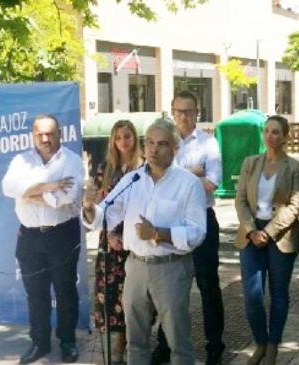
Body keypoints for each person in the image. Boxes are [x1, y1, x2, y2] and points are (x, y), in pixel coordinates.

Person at [83, 119, 207, 365]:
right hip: (136, 267)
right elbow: (107, 214)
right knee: (135, 341)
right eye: (150, 142)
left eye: (162, 144)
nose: (153, 149)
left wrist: (158, 233)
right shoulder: (132, 180)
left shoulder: (189, 183)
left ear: (175, 149)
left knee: (178, 342)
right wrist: (88, 207)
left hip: (171, 268)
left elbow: (197, 232)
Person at [1, 114, 84, 364]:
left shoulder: (73, 161)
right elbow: (8, 187)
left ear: (60, 133)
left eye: (50, 133)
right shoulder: (21, 160)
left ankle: (67, 341)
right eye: (40, 134)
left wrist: (28, 192)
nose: (45, 139)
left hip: (62, 235)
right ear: (33, 135)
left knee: (66, 290)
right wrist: (49, 187)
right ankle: (40, 342)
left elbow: (66, 198)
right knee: (35, 293)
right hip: (30, 236)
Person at [151, 91, 225, 365]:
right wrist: (193, 173)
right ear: (172, 112)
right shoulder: (164, 141)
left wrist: (177, 176)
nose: (184, 116)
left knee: (208, 286)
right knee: (170, 287)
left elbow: (213, 183)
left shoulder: (209, 143)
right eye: (179, 111)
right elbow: (156, 178)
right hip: (170, 224)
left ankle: (215, 346)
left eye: (189, 111)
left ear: (198, 112)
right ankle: (164, 344)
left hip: (202, 220)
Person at [235, 115, 299, 365]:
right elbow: (240, 199)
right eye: (267, 131)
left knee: (278, 293)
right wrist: (252, 230)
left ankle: (273, 344)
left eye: (276, 132)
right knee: (252, 295)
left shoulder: (294, 167)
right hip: (251, 234)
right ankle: (260, 342)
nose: (270, 136)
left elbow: (295, 205)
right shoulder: (250, 163)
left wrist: (269, 232)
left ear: (285, 136)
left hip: (280, 236)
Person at [92, 120, 143, 363]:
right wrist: (111, 235)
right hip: (109, 241)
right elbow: (97, 207)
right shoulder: (105, 168)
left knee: (132, 299)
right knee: (110, 296)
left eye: (128, 136)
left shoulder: (143, 168)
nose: (123, 141)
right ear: (113, 141)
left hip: (135, 238)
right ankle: (115, 352)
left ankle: (131, 348)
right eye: (119, 137)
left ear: (135, 138)